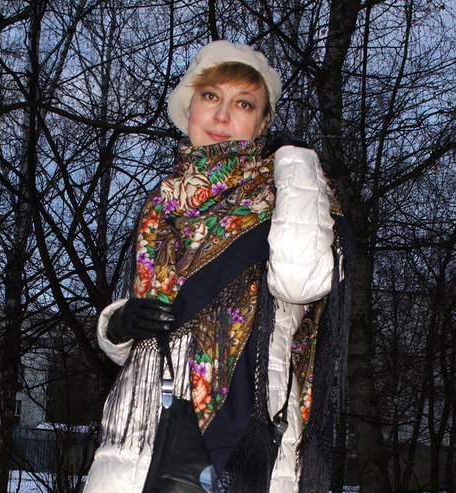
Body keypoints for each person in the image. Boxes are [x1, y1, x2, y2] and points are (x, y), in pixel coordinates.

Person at [83, 40, 353, 493]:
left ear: (263, 124)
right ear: (191, 108)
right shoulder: (162, 205)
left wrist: (296, 165)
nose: (222, 115)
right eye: (210, 96)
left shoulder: (288, 194)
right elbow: (161, 338)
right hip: (135, 441)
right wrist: (119, 325)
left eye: (243, 103)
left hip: (242, 442)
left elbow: (300, 280)